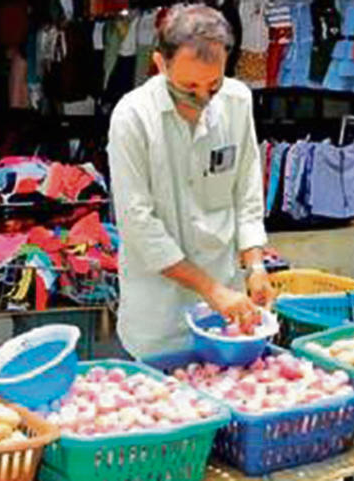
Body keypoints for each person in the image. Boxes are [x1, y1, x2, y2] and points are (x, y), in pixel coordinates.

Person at [108, 5, 275, 360]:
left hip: (226, 312)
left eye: (213, 86)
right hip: (157, 317)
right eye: (188, 87)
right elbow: (138, 224)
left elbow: (246, 192)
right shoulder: (132, 117)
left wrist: (255, 265)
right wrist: (210, 289)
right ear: (160, 63)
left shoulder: (237, 101)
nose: (201, 99)